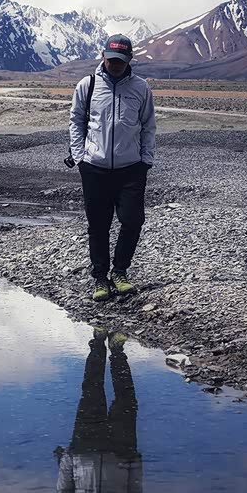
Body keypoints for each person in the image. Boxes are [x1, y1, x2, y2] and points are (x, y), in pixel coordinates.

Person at [69, 34, 156, 302]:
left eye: (121, 60)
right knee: (98, 225)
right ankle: (100, 278)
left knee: (132, 220)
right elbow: (76, 121)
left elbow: (148, 126)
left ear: (129, 60)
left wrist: (146, 159)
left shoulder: (141, 88)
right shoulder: (89, 85)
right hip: (94, 167)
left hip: (131, 168)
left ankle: (120, 272)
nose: (116, 64)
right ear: (103, 56)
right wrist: (80, 156)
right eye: (112, 59)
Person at [54, 329, 143, 493]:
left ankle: (97, 343)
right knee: (127, 398)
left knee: (91, 390)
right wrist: (135, 464)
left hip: (84, 448)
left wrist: (69, 459)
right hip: (122, 449)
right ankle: (117, 350)